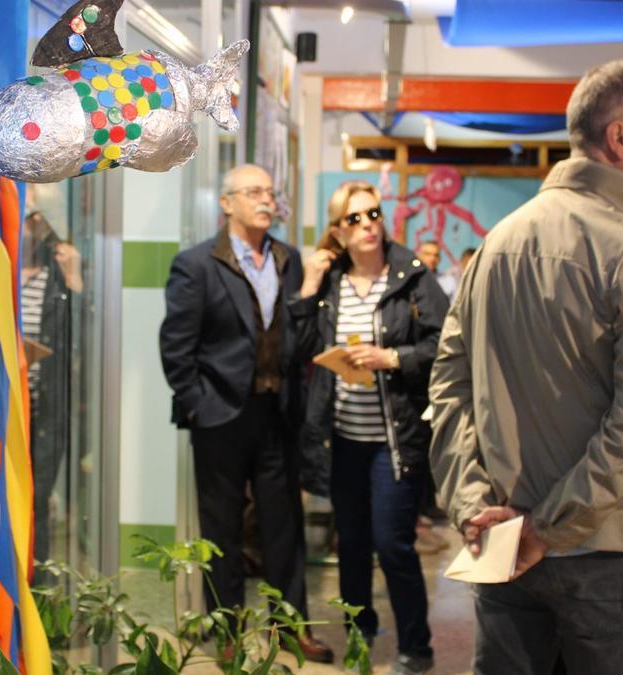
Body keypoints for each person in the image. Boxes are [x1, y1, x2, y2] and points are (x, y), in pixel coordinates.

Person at [428, 59, 623, 675]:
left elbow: (447, 388)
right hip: (606, 550)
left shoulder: (497, 242)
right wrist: (548, 526)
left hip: (502, 541)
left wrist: (472, 506)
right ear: (620, 139)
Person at [158, 164, 333, 663]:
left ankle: (290, 625)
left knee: (284, 527)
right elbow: (176, 348)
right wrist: (199, 404)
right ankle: (227, 630)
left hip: (277, 412)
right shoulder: (197, 264)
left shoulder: (287, 259)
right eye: (253, 192)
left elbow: (298, 341)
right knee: (222, 531)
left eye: (270, 193)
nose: (266, 200)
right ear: (227, 202)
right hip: (219, 416)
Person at [290, 181, 447, 675]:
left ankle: (416, 648)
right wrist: (308, 289)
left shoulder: (411, 275)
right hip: (342, 440)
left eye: (373, 214)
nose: (367, 226)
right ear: (337, 231)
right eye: (354, 219)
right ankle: (361, 638)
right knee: (352, 546)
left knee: (393, 543)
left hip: (394, 439)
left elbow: (444, 344)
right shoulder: (332, 281)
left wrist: (392, 357)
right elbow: (296, 351)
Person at [20, 211, 83, 571]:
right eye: (29, 214)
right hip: (1, 404)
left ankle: (37, 593)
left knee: (37, 500)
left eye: (40, 215)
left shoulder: (58, 274)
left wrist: (74, 279)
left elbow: (83, 341)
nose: (34, 224)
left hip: (45, 407)